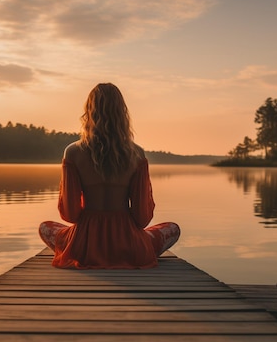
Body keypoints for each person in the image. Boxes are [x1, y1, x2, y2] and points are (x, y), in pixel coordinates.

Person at [39, 83, 180, 269]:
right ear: (122, 113)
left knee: (45, 227)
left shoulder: (72, 152)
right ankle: (136, 248)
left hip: (83, 247)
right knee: (172, 228)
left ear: (89, 111)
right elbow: (142, 217)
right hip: (130, 246)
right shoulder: (137, 153)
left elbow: (71, 214)